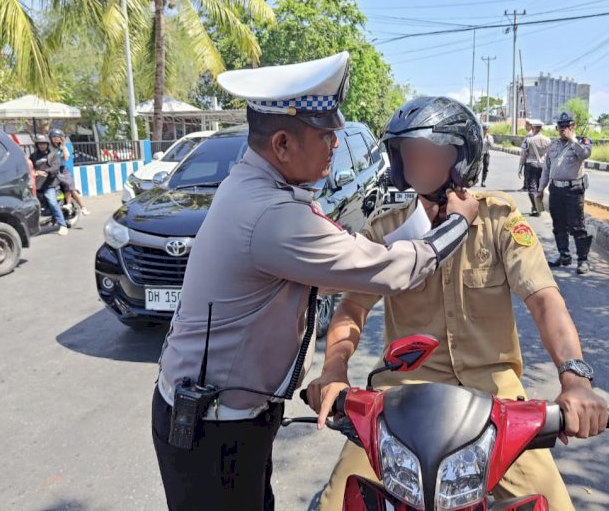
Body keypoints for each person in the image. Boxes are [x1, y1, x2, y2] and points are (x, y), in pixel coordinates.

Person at [151, 52, 480, 511]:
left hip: (225, 414)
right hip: (215, 426)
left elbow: (331, 264)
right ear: (283, 144)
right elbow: (393, 270)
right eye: (326, 135)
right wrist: (458, 224)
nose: (335, 144)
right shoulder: (271, 215)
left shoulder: (257, 187)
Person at [306, 97, 608, 511]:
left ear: (461, 159)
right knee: (336, 502)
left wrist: (575, 379)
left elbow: (544, 300)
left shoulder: (498, 219)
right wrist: (334, 371)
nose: (416, 165)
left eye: (429, 155)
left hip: (495, 401)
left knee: (554, 503)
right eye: (408, 155)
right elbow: (352, 309)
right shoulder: (387, 229)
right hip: (401, 399)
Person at [537, 112, 593, 275]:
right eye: (561, 127)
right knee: (559, 224)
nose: (563, 130)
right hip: (556, 189)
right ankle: (564, 256)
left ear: (572, 126)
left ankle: (583, 260)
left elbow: (584, 154)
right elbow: (547, 169)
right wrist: (541, 189)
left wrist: (572, 139)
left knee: (577, 225)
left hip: (573, 190)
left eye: (567, 126)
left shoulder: (581, 142)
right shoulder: (553, 145)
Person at [29, 134, 68, 235]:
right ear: (37, 145)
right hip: (36, 184)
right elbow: (29, 167)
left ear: (47, 144)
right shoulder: (33, 156)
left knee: (52, 202)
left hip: (49, 183)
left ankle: (63, 225)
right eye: (40, 144)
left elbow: (56, 167)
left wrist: (46, 171)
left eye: (43, 144)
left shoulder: (53, 155)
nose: (42, 146)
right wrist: (34, 172)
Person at [47, 129, 90, 216]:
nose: (55, 139)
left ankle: (81, 207)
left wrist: (63, 146)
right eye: (53, 137)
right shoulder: (48, 148)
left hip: (62, 169)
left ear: (61, 138)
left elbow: (66, 158)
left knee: (69, 187)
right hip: (51, 170)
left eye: (58, 137)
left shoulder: (63, 147)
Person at [518, 119, 550, 216]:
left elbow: (523, 154)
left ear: (533, 127)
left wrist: (520, 167)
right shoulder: (548, 140)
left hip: (531, 164)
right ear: (542, 128)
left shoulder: (528, 140)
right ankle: (536, 207)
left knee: (531, 188)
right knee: (540, 188)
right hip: (543, 165)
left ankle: (537, 208)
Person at [479, 122, 495, 187]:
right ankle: (475, 179)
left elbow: (492, 146)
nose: (485, 130)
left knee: (485, 168)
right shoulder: (479, 136)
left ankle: (483, 181)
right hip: (479, 154)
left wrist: (488, 139)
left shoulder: (490, 137)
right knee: (478, 168)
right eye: (484, 129)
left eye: (486, 129)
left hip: (486, 154)